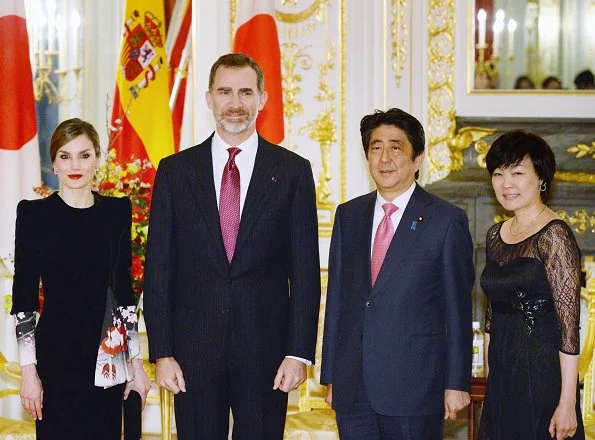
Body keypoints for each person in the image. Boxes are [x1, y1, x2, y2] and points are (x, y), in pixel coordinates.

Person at [143, 53, 321, 439]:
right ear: (209, 98)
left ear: (263, 98)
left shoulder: (292, 171)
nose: (235, 103)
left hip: (267, 355)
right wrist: (162, 352)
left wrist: (298, 352)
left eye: (245, 92)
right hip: (192, 354)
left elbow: (305, 270)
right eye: (225, 92)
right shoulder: (174, 171)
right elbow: (159, 268)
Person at [320, 108, 475, 439]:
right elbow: (337, 301)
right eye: (376, 147)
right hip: (352, 387)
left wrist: (457, 383)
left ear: (417, 158)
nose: (385, 158)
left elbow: (458, 312)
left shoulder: (446, 221)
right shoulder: (349, 215)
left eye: (396, 147)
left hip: (415, 388)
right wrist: (332, 374)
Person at [11, 118, 151, 439]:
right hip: (55, 356)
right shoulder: (34, 216)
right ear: (54, 163)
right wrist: (29, 372)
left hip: (107, 355)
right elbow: (24, 300)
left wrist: (136, 363)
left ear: (98, 158)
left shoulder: (117, 211)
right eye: (65, 156)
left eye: (84, 155)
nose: (75, 165)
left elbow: (123, 292)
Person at [479, 131, 584, 440]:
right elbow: (492, 315)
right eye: (498, 174)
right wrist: (490, 379)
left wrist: (568, 400)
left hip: (542, 375)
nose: (506, 183)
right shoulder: (495, 235)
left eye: (517, 172)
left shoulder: (555, 234)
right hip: (502, 375)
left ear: (541, 178)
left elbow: (569, 326)